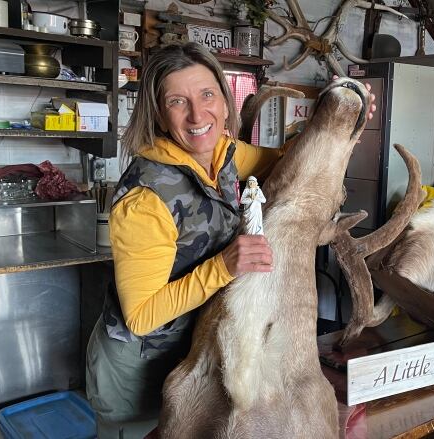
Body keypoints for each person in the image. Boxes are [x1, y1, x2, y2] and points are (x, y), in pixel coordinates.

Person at [85, 42, 376, 438]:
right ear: (157, 112)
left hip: (194, 352)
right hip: (139, 368)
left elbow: (288, 162)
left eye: (207, 94)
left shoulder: (224, 155)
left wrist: (341, 124)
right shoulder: (144, 200)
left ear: (224, 100)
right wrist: (224, 266)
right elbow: (141, 316)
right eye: (177, 100)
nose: (196, 114)